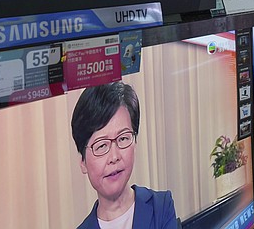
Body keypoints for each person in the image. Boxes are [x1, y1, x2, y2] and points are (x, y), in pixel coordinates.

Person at [71, 82, 177, 229]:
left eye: (123, 138)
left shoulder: (161, 207)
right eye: (101, 145)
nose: (114, 157)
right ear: (83, 162)